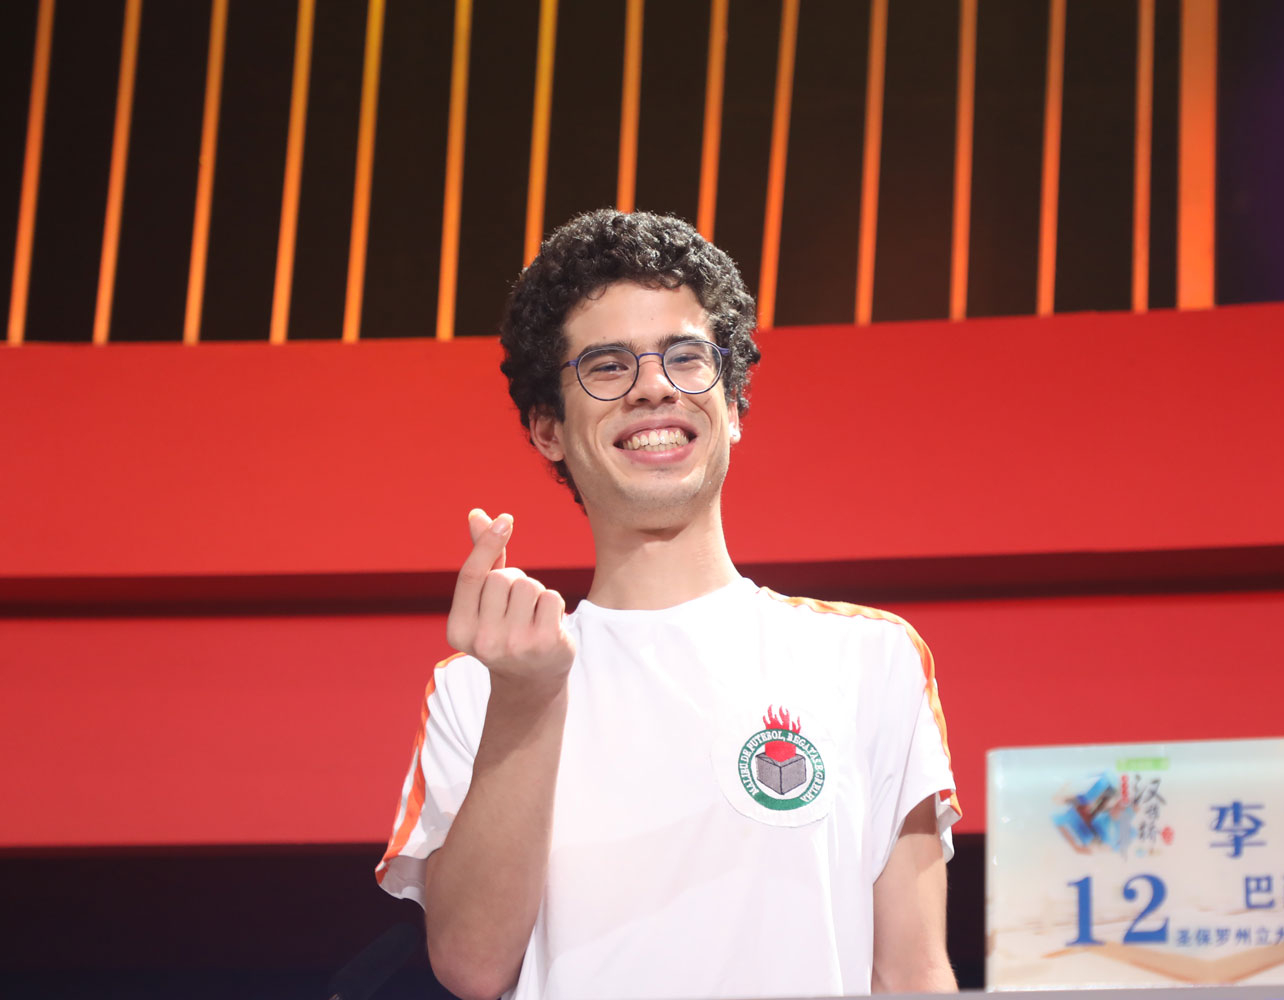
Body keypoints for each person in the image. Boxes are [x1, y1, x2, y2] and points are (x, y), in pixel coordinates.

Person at [377, 209, 961, 1000]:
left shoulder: (872, 659)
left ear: (733, 405)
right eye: (608, 366)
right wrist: (525, 700)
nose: (654, 386)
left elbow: (913, 973)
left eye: (686, 358)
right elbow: (472, 966)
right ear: (548, 429)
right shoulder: (482, 684)